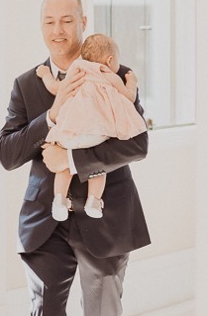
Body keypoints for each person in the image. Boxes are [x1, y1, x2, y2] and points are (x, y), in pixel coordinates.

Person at [0, 0, 150, 316]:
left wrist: (75, 159)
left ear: (83, 22)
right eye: (49, 21)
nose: (58, 30)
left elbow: (137, 142)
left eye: (67, 20)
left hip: (106, 217)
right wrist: (52, 115)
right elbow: (7, 153)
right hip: (47, 220)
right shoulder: (27, 84)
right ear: (40, 26)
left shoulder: (117, 76)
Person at [36, 33, 146, 221]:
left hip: (71, 130)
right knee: (97, 168)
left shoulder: (77, 70)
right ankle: (94, 201)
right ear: (110, 60)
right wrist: (132, 82)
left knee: (63, 167)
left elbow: (56, 89)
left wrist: (45, 74)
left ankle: (59, 200)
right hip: (97, 132)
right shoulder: (108, 74)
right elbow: (129, 97)